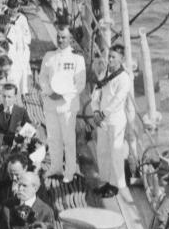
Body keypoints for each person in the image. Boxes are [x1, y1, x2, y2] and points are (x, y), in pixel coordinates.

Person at [38, 25, 86, 180]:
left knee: (68, 139)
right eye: (58, 36)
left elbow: (80, 84)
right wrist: (49, 92)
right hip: (51, 103)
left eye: (64, 37)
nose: (60, 39)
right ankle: (55, 167)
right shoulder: (49, 56)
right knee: (53, 137)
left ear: (71, 38)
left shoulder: (77, 59)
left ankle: (70, 170)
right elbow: (42, 77)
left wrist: (62, 94)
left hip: (67, 105)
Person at [87, 41, 133, 197]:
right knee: (102, 151)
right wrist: (95, 111)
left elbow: (118, 100)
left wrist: (102, 114)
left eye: (113, 57)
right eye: (109, 57)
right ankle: (105, 180)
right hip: (102, 119)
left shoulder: (124, 78)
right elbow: (96, 93)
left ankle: (115, 185)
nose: (110, 60)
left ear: (121, 60)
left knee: (115, 152)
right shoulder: (105, 73)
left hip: (115, 120)